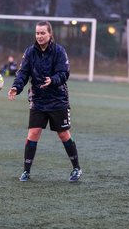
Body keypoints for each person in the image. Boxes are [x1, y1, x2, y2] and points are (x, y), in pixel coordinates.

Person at [7, 21, 82, 182]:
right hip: (38, 100)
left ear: (50, 34)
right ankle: (26, 171)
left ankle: (76, 168)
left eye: (43, 33)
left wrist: (53, 80)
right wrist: (16, 87)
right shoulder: (30, 52)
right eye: (37, 33)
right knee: (33, 133)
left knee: (63, 134)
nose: (39, 36)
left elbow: (64, 72)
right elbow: (22, 73)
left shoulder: (59, 51)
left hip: (57, 99)